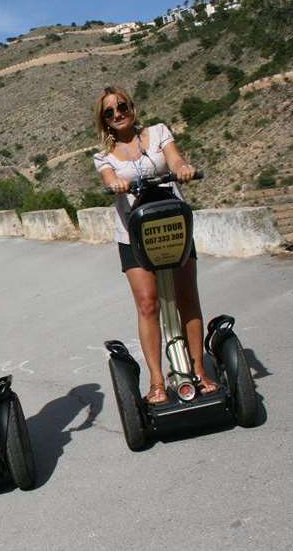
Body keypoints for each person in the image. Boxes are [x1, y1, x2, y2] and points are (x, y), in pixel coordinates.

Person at [92, 86, 218, 404]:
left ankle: (201, 372)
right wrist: (116, 184)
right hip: (133, 235)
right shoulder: (103, 156)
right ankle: (157, 381)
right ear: (104, 120)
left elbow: (174, 159)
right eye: (109, 112)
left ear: (132, 107)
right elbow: (109, 179)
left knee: (187, 296)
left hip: (172, 226)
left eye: (122, 106)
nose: (118, 113)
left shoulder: (158, 132)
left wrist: (182, 169)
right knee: (148, 304)